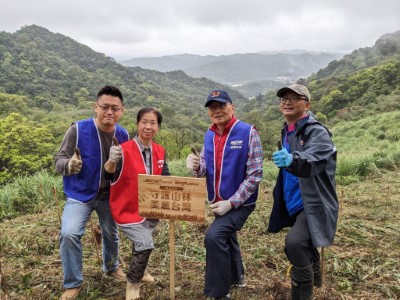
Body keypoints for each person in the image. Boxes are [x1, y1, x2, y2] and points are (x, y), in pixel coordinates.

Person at [186, 90, 263, 300]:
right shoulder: (209, 134)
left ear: (232, 107)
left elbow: (255, 174)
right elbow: (204, 168)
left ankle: (219, 292)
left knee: (214, 237)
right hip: (217, 201)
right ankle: (237, 276)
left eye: (221, 105)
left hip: (242, 203)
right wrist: (195, 166)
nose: (217, 110)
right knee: (227, 236)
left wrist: (232, 202)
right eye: (212, 107)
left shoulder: (248, 132)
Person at [55, 85, 129, 300]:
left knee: (111, 234)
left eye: (115, 108)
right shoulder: (77, 130)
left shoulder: (123, 134)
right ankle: (73, 282)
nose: (109, 112)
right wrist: (70, 164)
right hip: (80, 195)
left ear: (121, 110)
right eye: (105, 107)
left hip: (109, 195)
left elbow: (126, 170)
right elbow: (58, 161)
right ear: (95, 107)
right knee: (69, 234)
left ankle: (112, 267)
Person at [267, 84, 339, 300]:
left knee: (295, 243)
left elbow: (315, 158)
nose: (287, 102)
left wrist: (293, 159)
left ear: (307, 104)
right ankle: (312, 269)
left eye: (294, 98)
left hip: (314, 202)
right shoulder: (288, 129)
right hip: (295, 201)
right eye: (284, 98)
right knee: (298, 247)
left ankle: (303, 294)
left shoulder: (317, 131)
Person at [104, 107, 170, 300]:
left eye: (153, 123)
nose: (148, 126)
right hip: (128, 210)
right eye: (144, 122)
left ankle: (142, 271)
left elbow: (165, 178)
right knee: (145, 243)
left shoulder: (160, 151)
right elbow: (108, 173)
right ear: (137, 124)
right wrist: (111, 160)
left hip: (151, 211)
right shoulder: (123, 150)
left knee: (144, 240)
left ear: (158, 127)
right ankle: (133, 282)